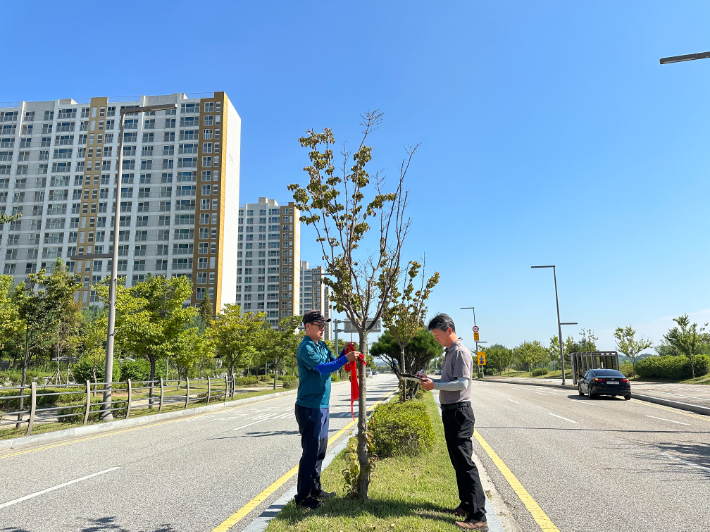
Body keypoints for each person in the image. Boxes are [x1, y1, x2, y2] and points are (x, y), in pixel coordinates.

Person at [418, 313, 488, 531]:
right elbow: (449, 381)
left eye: (437, 335)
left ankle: (479, 516)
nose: (436, 339)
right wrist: (431, 381)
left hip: (460, 413)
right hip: (450, 412)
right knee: (457, 461)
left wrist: (436, 386)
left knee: (465, 463)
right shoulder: (449, 352)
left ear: (449, 330)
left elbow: (461, 384)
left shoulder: (460, 352)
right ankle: (466, 504)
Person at [294, 310, 358, 509]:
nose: (323, 328)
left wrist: (344, 354)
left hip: (322, 406)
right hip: (309, 407)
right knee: (310, 452)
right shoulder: (305, 348)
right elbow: (322, 368)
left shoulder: (321, 345)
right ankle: (303, 497)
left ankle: (315, 489)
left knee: (321, 451)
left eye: (324, 325)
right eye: (319, 325)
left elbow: (333, 363)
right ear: (308, 327)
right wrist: (345, 359)